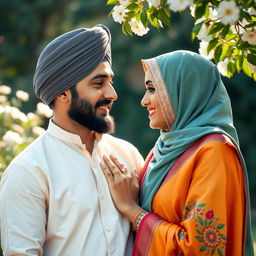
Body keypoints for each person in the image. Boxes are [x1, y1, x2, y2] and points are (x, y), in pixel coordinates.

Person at [0, 24, 144, 255]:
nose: (111, 94)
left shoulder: (128, 156)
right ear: (63, 93)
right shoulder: (29, 171)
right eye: (98, 84)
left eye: (110, 82)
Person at [101, 50, 254, 256]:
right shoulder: (162, 150)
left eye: (153, 89)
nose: (144, 100)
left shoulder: (214, 151)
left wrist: (132, 210)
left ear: (186, 90)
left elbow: (200, 248)